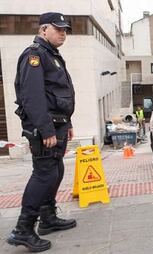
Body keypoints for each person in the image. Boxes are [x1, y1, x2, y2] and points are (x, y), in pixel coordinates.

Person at [7, 12, 76, 252]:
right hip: (44, 127)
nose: (63, 33)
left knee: (56, 169)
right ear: (43, 29)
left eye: (65, 29)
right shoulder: (34, 55)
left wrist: (67, 124)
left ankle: (47, 218)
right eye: (58, 29)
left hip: (58, 124)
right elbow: (32, 96)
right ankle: (23, 229)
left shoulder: (50, 55)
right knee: (44, 173)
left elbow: (58, 95)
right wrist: (46, 129)